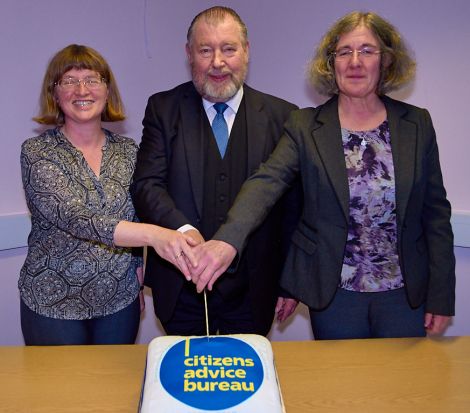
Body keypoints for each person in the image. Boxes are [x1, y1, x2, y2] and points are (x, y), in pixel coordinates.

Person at [190, 11, 456, 340]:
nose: (354, 61)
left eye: (367, 51)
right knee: (341, 388)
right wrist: (227, 239)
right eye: (344, 52)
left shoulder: (416, 124)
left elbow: (436, 214)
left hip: (405, 296)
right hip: (335, 295)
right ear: (331, 63)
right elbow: (266, 183)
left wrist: (442, 295)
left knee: (401, 388)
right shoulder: (305, 126)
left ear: (386, 61)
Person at [131, 6, 300, 336]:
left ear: (246, 51)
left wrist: (291, 282)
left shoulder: (284, 115)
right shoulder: (163, 108)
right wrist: (182, 231)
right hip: (181, 285)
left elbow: (293, 208)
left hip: (255, 288)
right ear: (189, 54)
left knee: (245, 381)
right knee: (185, 382)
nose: (217, 62)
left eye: (229, 49)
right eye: (205, 50)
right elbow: (146, 185)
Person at [20, 44, 197, 346]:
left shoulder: (128, 152)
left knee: (115, 391)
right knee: (64, 393)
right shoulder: (37, 152)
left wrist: (139, 273)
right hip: (52, 305)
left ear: (106, 89)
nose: (81, 90)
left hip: (118, 302)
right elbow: (77, 218)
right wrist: (155, 235)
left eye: (92, 79)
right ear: (55, 93)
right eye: (69, 81)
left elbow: (138, 209)